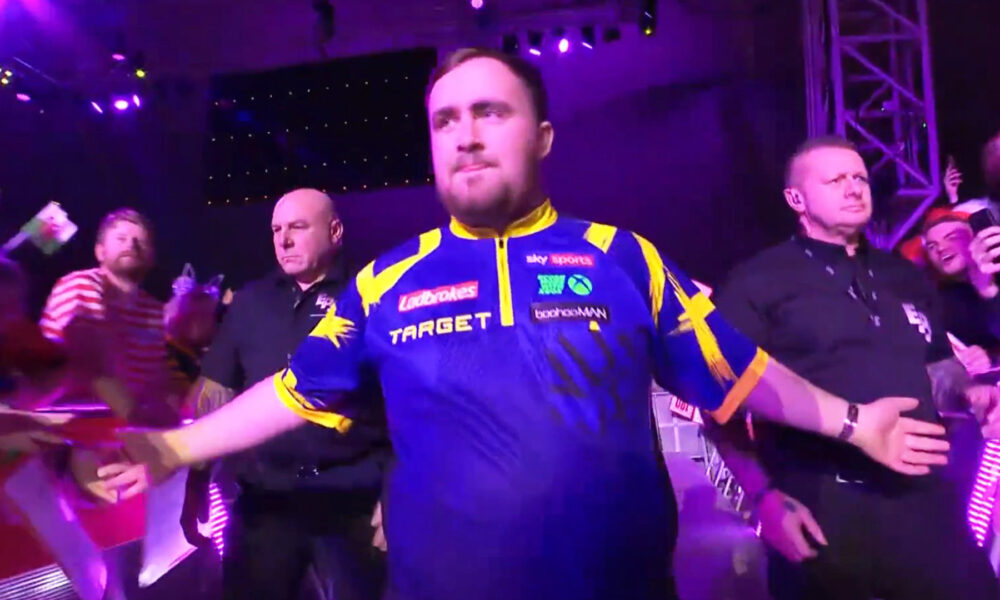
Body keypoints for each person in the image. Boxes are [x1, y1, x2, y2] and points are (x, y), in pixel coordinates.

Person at [116, 49, 950, 600]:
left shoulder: (623, 259)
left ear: (543, 136)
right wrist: (172, 449)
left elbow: (740, 373)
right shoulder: (385, 282)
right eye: (446, 121)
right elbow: (294, 392)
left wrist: (855, 423)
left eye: (491, 113)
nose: (466, 136)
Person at [710, 136, 999, 599]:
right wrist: (763, 497)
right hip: (821, 509)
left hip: (926, 502)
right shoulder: (756, 282)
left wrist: (969, 393)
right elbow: (717, 403)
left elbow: (938, 369)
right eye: (835, 180)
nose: (854, 188)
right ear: (796, 199)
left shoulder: (904, 276)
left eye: (860, 178)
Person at [180, 188, 387, 600]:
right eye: (276, 230)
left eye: (298, 227)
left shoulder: (373, 295)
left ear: (335, 231)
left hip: (354, 503)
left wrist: (397, 491)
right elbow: (214, 396)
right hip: (266, 502)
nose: (284, 240)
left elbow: (404, 401)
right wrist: (196, 485)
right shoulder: (249, 303)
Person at [39, 208, 175, 423]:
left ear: (151, 258)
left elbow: (157, 380)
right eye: (121, 238)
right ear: (100, 252)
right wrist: (137, 418)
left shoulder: (152, 309)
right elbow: (91, 359)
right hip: (67, 420)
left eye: (140, 241)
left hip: (123, 424)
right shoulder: (80, 284)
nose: (131, 245)